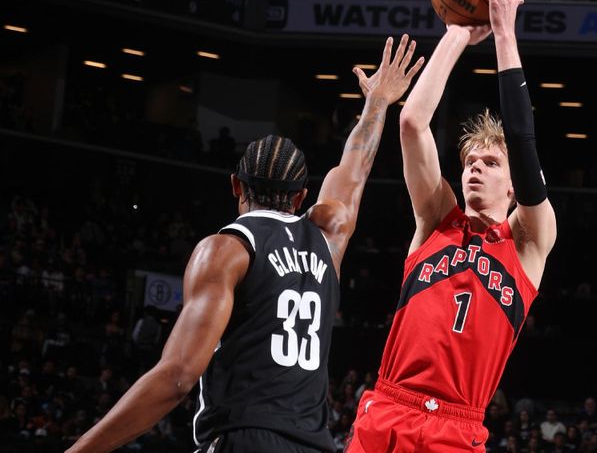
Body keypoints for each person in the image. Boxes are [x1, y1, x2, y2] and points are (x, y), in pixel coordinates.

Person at [64, 35, 424, 453]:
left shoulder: (227, 250)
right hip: (315, 445)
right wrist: (377, 102)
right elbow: (356, 166)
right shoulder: (330, 235)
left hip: (243, 438)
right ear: (301, 197)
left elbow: (178, 376)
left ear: (236, 185)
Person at [346, 0, 557, 451]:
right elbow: (412, 125)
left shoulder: (529, 242)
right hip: (388, 408)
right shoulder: (437, 219)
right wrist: (458, 34)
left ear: (513, 187)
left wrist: (504, 34)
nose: (475, 169)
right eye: (470, 162)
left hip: (458, 429)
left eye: (490, 162)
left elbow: (523, 142)